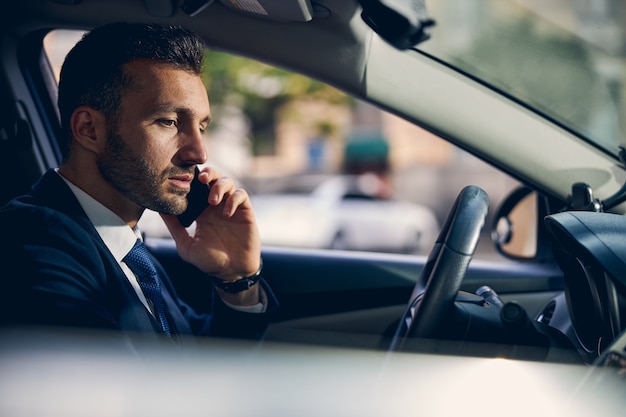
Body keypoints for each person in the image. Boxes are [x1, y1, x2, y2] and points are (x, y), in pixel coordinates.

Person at [0, 22, 277, 345]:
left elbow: (193, 358)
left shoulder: (125, 246)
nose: (199, 152)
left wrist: (235, 279)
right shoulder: (32, 246)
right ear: (89, 129)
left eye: (201, 127)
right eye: (169, 122)